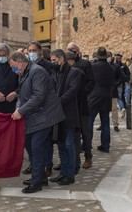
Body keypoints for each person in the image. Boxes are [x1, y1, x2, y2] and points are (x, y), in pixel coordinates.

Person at [9, 52, 65, 194]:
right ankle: (40, 176)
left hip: (44, 116)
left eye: (13, 66)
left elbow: (38, 96)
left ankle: (37, 182)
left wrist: (20, 111)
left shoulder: (37, 72)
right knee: (31, 146)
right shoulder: (25, 72)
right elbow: (23, 93)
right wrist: (18, 103)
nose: (13, 70)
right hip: (34, 116)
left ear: (20, 62)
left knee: (36, 148)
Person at [22, 41, 56, 176]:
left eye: (33, 50)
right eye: (29, 50)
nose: (31, 53)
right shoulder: (28, 66)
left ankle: (47, 165)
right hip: (30, 109)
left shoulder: (48, 66)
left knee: (44, 142)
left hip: (44, 109)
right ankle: (34, 164)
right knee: (30, 141)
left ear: (40, 51)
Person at [49, 49, 81, 185]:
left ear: (61, 58)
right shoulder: (56, 72)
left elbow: (72, 91)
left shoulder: (75, 73)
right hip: (58, 115)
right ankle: (63, 172)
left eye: (54, 60)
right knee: (61, 145)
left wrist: (58, 101)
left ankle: (70, 174)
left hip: (68, 114)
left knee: (69, 145)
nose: (53, 63)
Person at [67, 42, 95, 169]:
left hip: (82, 104)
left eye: (73, 49)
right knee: (73, 133)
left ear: (78, 51)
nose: (71, 51)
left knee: (85, 132)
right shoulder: (66, 64)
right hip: (71, 105)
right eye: (69, 49)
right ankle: (74, 159)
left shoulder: (85, 64)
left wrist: (83, 93)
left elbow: (91, 81)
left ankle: (88, 157)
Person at [88, 47, 116, 153]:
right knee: (105, 122)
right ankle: (105, 145)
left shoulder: (93, 67)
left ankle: (87, 144)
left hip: (94, 96)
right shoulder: (111, 68)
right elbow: (113, 82)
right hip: (106, 96)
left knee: (89, 122)